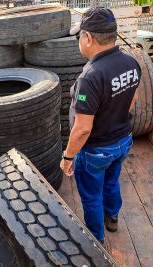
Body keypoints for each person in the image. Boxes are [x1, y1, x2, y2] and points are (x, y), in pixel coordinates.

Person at [62, 7, 141, 245]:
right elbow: (133, 99)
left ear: (88, 38)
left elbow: (83, 128)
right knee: (111, 180)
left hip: (95, 149)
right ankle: (113, 217)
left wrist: (67, 157)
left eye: (80, 36)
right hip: (123, 140)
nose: (79, 41)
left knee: (91, 196)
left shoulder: (90, 76)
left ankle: (96, 240)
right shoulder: (130, 62)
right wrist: (113, 118)